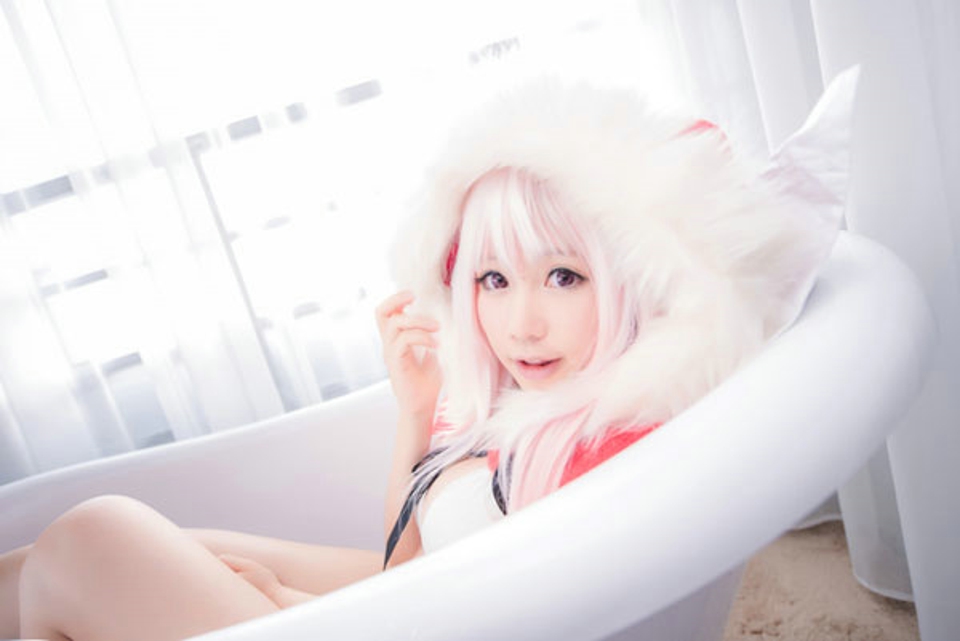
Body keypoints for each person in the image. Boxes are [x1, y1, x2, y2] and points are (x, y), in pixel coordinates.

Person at [0, 76, 849, 641]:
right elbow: (410, 568)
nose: (520, 323)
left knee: (92, 538)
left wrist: (288, 605)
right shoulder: (523, 391)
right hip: (420, 602)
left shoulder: (615, 436)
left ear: (635, 276)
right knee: (55, 559)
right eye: (492, 278)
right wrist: (413, 418)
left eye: (563, 275)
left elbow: (507, 616)